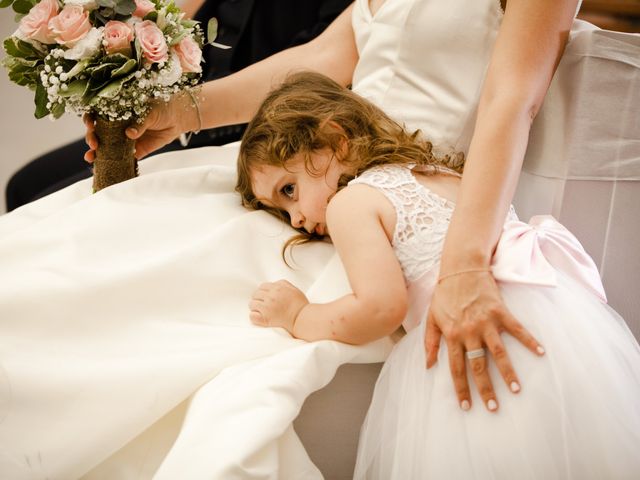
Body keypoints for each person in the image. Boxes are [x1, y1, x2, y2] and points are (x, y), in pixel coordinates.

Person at [84, 0, 586, 412]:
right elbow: (323, 59)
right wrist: (180, 111)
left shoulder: (353, 207)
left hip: (410, 195)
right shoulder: (316, 197)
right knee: (129, 223)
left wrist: (464, 266)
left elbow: (513, 98)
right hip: (325, 169)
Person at [236, 70, 640, 478]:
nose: (298, 218)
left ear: (335, 140)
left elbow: (381, 307)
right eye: (282, 212)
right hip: (557, 326)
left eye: (290, 190)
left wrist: (298, 316)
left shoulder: (351, 205)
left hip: (477, 341)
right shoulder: (440, 174)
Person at [4, 0, 352, 211]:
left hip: (257, 125)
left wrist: (179, 111)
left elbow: (324, 60)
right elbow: (164, 16)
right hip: (183, 93)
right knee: (24, 185)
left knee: (48, 204)